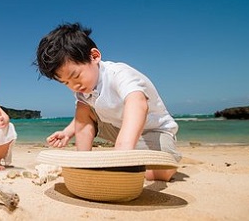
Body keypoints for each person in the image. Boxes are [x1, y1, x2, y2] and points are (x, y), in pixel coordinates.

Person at [34, 22, 181, 181]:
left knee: (164, 172)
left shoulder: (118, 74)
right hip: (119, 129)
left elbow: (138, 104)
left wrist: (122, 150)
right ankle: (84, 162)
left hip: (154, 131)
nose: (74, 86)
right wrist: (67, 133)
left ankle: (127, 162)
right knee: (83, 107)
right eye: (66, 83)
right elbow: (84, 117)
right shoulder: (83, 89)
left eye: (76, 76)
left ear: (95, 56)